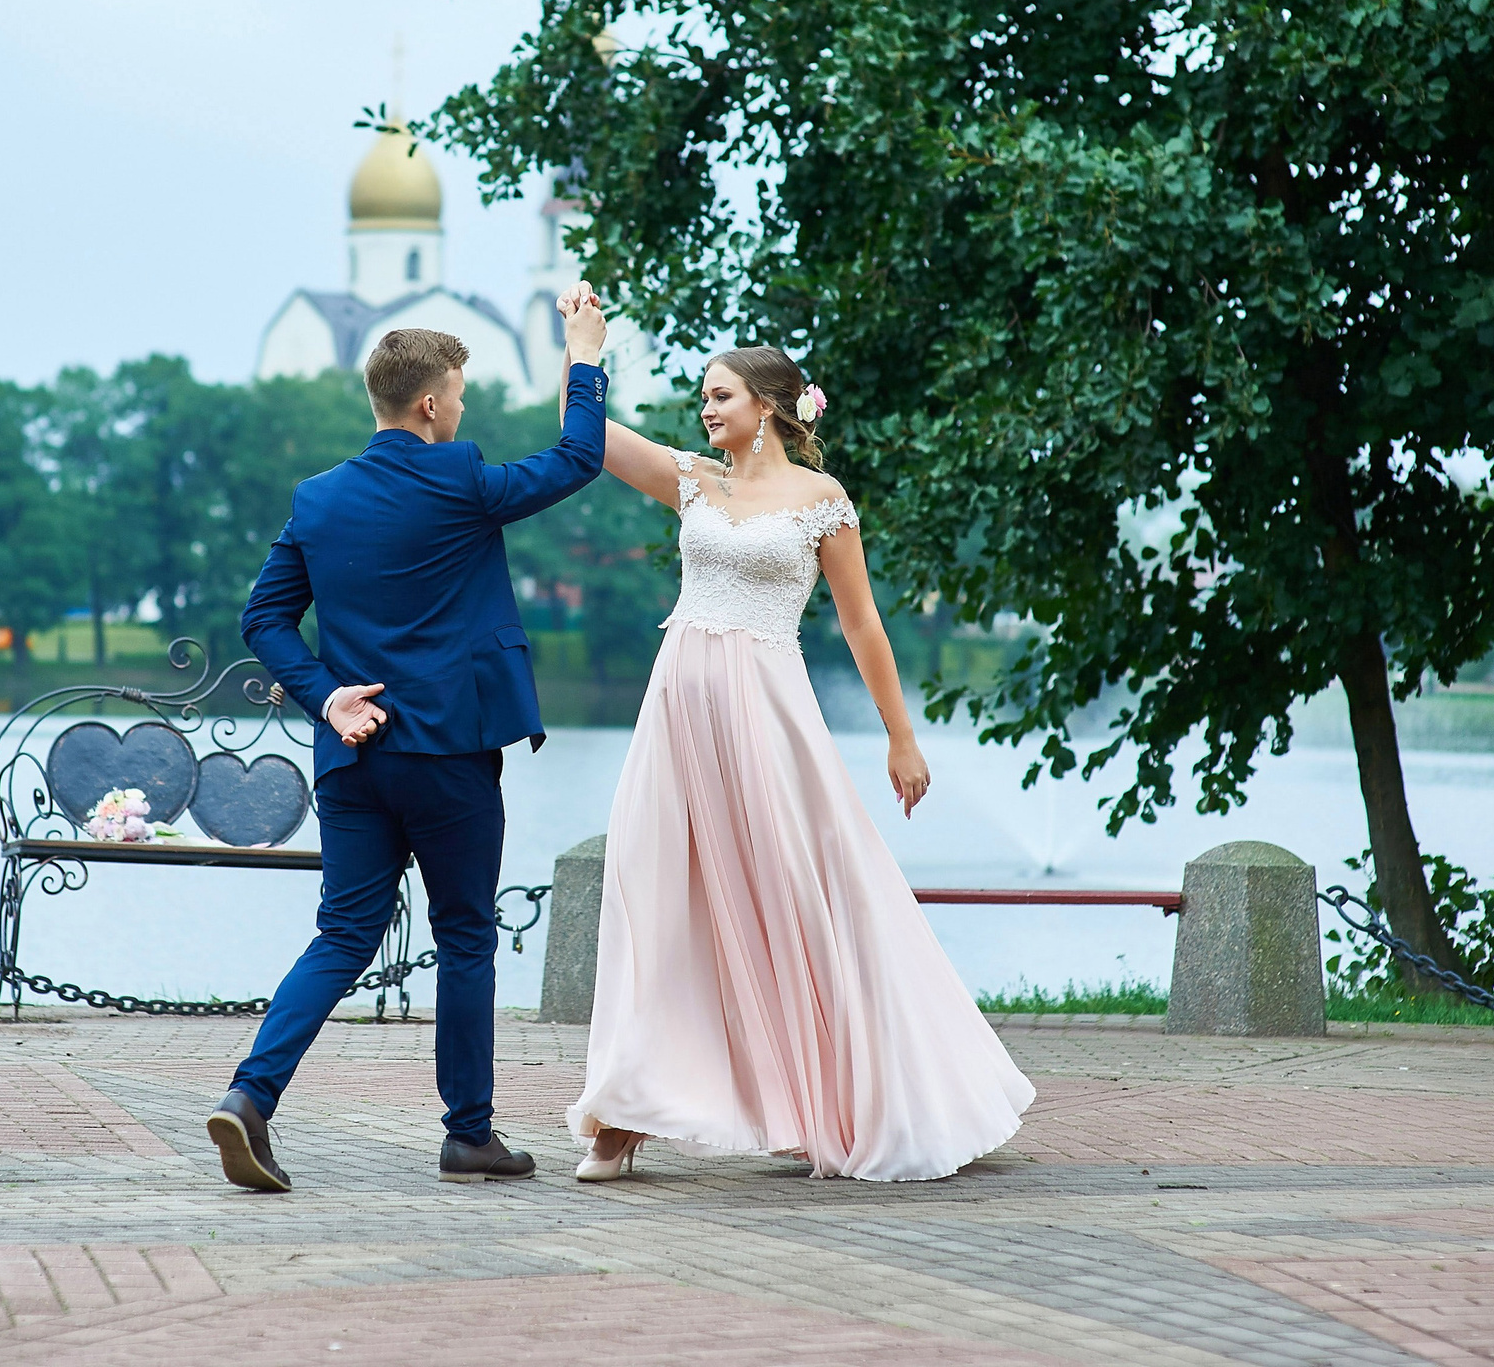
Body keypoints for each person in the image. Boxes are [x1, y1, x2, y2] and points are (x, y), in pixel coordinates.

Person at [559, 286, 1033, 1182]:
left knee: (800, 892)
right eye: (703, 397)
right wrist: (585, 349)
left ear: (768, 406)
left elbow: (863, 627)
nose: (705, 409)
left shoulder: (823, 501)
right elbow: (587, 441)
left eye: (720, 395)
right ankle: (622, 1115)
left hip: (768, 714)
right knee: (649, 887)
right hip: (679, 709)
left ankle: (829, 1096)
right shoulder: (692, 479)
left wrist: (901, 737)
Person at [209, 307, 611, 1192]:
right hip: (450, 758)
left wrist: (326, 697)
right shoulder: (460, 481)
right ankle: (470, 1136)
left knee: (343, 933)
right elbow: (580, 456)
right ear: (430, 405)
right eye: (459, 398)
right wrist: (584, 358)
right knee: (465, 936)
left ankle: (249, 1097)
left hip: (353, 755)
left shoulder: (318, 498)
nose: (462, 414)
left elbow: (263, 619)